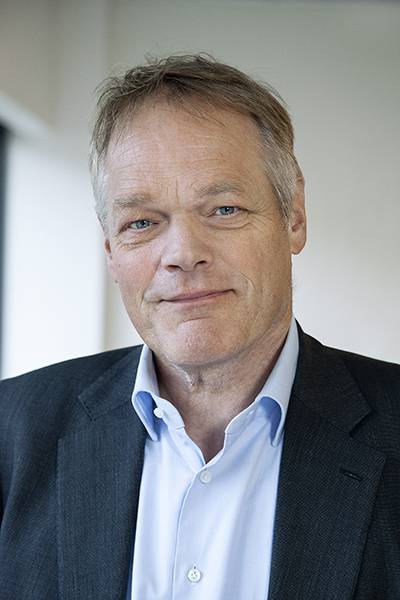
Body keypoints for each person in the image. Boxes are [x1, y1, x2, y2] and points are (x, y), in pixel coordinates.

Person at [0, 54, 399, 600]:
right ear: (110, 247)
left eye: (224, 210)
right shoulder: (12, 431)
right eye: (142, 222)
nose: (183, 254)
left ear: (294, 216)